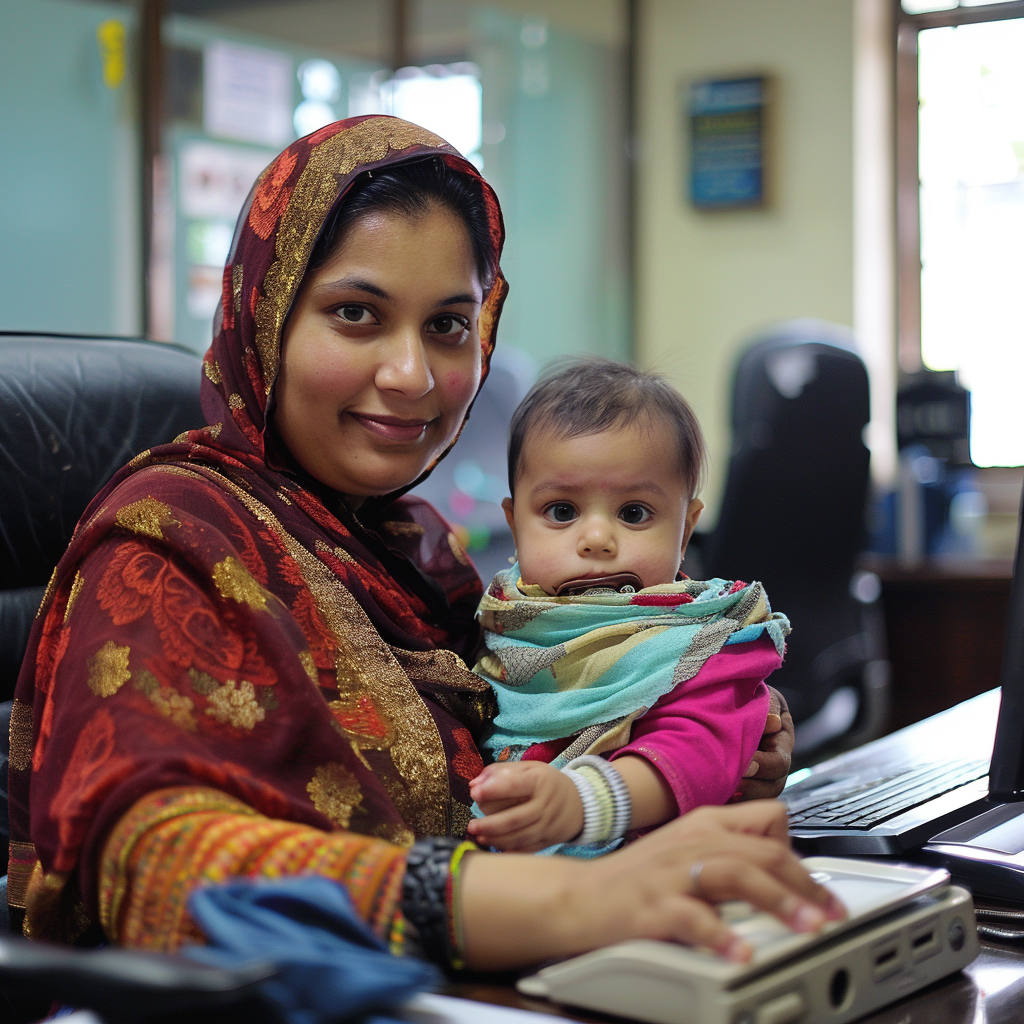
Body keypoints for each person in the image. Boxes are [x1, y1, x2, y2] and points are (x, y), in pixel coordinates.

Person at [7, 116, 842, 975]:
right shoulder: (168, 540)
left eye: (448, 326)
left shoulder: (413, 551)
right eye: (355, 314)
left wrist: (711, 734)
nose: (412, 376)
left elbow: (535, 731)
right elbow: (153, 872)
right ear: (266, 317)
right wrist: (558, 903)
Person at [468, 360, 788, 854]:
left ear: (685, 530)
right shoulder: (504, 623)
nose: (596, 539)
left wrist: (581, 802)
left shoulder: (699, 642)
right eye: (562, 511)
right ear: (514, 524)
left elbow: (699, 747)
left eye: (633, 514)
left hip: (673, 877)